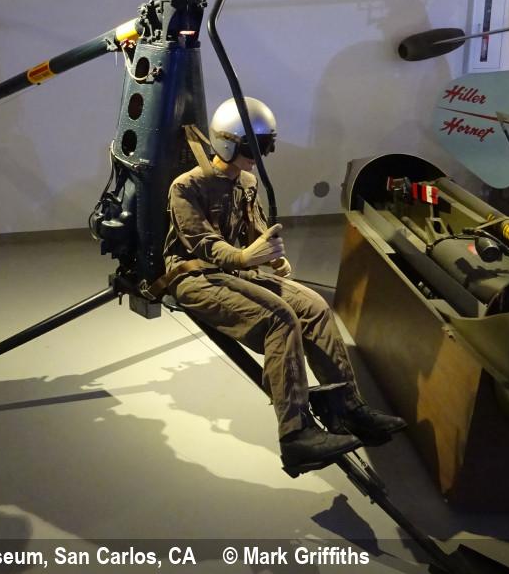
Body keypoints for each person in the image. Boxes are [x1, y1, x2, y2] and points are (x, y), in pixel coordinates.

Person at [163, 97, 406, 476]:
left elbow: (256, 230)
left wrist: (272, 257)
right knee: (280, 318)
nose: (260, 157)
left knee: (314, 306)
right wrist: (245, 257)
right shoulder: (187, 186)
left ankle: (347, 407)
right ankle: (296, 435)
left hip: (236, 271)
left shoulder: (246, 182)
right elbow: (203, 244)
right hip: (195, 276)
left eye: (266, 147)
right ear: (227, 143)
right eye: (254, 148)